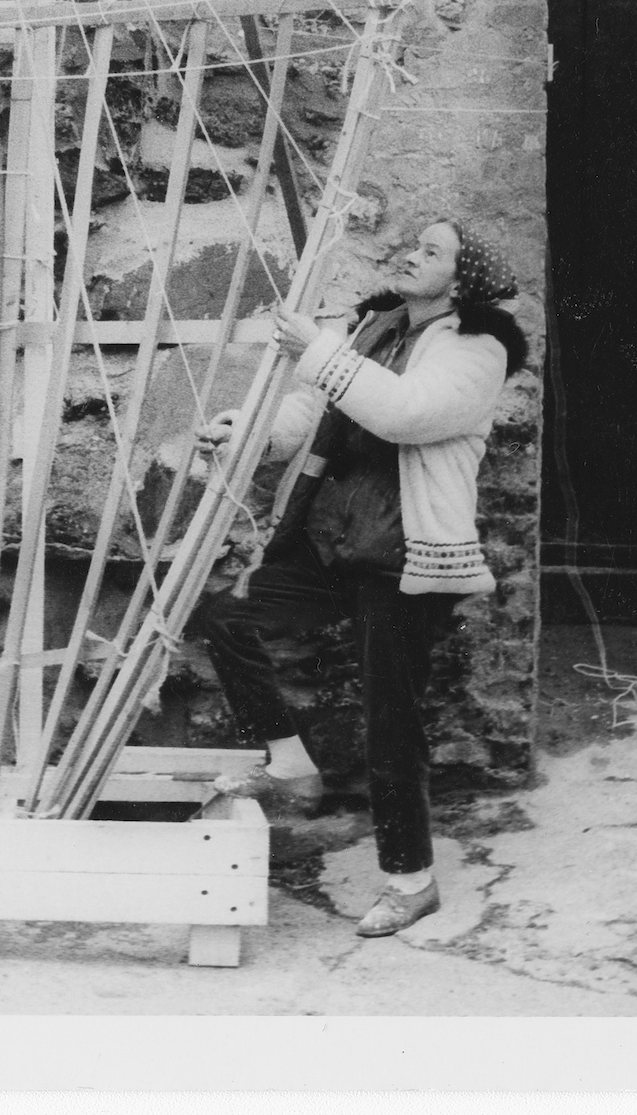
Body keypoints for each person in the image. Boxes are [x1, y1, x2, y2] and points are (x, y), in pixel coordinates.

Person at [189, 216, 529, 938]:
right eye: (415, 243)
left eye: (432, 251)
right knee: (225, 616)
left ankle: (411, 882)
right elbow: (314, 408)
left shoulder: (480, 350)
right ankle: (287, 763)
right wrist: (242, 432)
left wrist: (316, 350)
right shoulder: (379, 326)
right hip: (331, 538)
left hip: (404, 555)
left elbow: (405, 413)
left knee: (390, 723)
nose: (410, 254)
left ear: (463, 281)